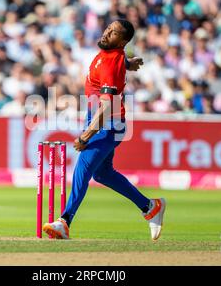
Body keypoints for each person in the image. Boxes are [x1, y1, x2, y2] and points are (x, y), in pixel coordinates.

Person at [43, 19, 166, 240]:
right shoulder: (113, 55)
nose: (107, 32)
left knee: (83, 168)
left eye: (114, 32)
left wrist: (85, 135)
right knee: (102, 173)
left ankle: (65, 221)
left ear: (124, 41)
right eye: (108, 28)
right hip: (101, 118)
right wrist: (128, 64)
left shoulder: (112, 61)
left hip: (108, 122)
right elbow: (116, 63)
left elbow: (107, 107)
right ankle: (150, 207)